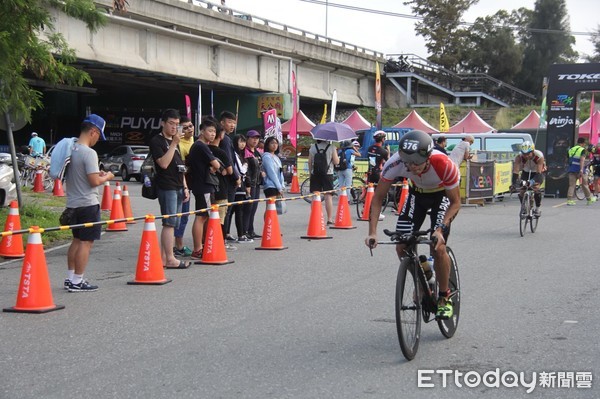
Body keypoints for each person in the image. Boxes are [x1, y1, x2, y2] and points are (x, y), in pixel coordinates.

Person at [365, 130, 461, 320]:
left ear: (428, 156)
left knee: (438, 245)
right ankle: (422, 282)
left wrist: (441, 229)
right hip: (417, 195)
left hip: (442, 196)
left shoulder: (444, 164)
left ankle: (444, 297)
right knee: (401, 246)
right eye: (408, 163)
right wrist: (372, 232)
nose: (412, 167)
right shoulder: (396, 162)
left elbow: (455, 202)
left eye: (417, 163)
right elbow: (377, 199)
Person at [65, 114, 114, 291]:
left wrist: (96, 176)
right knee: (86, 243)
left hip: (72, 203)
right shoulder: (89, 153)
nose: (98, 139)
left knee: (76, 240)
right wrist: (107, 176)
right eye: (98, 135)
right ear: (93, 131)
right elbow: (94, 181)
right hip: (88, 204)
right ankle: (78, 281)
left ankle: (70, 278)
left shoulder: (71, 149)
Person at [148, 109, 190, 269]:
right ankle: (170, 258)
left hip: (179, 185)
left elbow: (180, 166)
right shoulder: (157, 141)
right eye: (171, 124)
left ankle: (165, 257)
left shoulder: (175, 141)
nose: (174, 128)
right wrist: (173, 144)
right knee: (169, 223)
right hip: (167, 186)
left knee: (175, 223)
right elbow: (164, 163)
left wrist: (185, 187)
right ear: (163, 123)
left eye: (177, 125)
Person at [188, 118, 222, 259]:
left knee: (204, 216)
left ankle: (203, 245)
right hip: (204, 186)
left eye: (214, 131)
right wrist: (214, 166)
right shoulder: (201, 146)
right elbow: (218, 165)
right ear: (202, 131)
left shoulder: (198, 146)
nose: (213, 134)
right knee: (202, 217)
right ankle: (198, 249)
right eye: (210, 131)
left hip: (201, 185)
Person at [207, 121, 234, 242]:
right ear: (221, 135)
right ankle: (219, 242)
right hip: (221, 187)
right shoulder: (221, 152)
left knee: (209, 216)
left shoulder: (205, 149)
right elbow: (230, 171)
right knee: (221, 216)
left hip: (209, 187)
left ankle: (208, 241)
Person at [173, 116, 195, 257]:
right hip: (181, 182)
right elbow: (179, 167)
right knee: (181, 215)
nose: (189, 129)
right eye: (185, 127)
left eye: (191, 126)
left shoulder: (195, 140)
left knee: (186, 216)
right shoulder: (178, 143)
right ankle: (178, 246)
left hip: (192, 182)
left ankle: (177, 245)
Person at [219, 111, 241, 243]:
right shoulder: (225, 140)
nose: (232, 125)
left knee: (225, 210)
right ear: (222, 123)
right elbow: (228, 161)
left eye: (234, 122)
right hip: (228, 180)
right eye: (229, 122)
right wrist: (236, 177)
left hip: (227, 179)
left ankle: (224, 235)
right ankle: (222, 238)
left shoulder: (226, 138)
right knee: (225, 210)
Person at [308, 138, 339, 225]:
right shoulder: (332, 147)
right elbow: (336, 162)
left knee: (315, 196)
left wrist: (311, 173)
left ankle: (315, 218)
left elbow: (309, 162)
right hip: (328, 174)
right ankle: (329, 219)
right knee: (328, 196)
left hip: (315, 174)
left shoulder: (313, 147)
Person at [511, 141, 545, 217]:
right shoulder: (519, 157)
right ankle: (524, 207)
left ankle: (537, 208)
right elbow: (515, 171)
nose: (526, 156)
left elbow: (539, 173)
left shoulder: (539, 156)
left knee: (536, 188)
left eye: (528, 154)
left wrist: (532, 182)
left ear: (532, 151)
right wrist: (513, 184)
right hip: (526, 172)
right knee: (522, 190)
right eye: (524, 154)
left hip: (537, 173)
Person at [231, 134, 251, 242]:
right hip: (236, 186)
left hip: (241, 185)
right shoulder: (234, 154)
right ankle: (240, 235)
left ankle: (233, 233)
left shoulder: (241, 155)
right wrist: (245, 166)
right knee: (237, 211)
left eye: (244, 142)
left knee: (235, 210)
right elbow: (241, 171)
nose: (243, 144)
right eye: (240, 142)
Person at [243, 130, 263, 239]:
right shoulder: (245, 152)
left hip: (257, 183)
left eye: (257, 138)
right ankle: (244, 231)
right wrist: (248, 185)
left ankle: (251, 230)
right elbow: (246, 170)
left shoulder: (256, 152)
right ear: (247, 139)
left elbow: (258, 166)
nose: (255, 140)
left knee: (253, 209)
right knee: (247, 209)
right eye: (252, 138)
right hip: (249, 184)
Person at [566, 137, 597, 206]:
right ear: (583, 143)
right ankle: (589, 199)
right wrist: (581, 169)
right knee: (584, 184)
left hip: (571, 169)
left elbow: (567, 159)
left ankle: (569, 200)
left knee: (571, 185)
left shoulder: (571, 149)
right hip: (580, 170)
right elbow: (582, 160)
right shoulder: (582, 150)